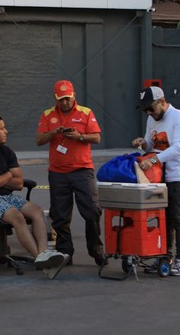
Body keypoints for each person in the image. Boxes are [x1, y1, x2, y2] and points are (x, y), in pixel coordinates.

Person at [0, 114, 70, 277]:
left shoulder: (6, 152)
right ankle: (41, 260)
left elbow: (19, 183)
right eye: (2, 128)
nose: (6, 131)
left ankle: (44, 255)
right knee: (17, 216)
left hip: (6, 197)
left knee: (37, 211)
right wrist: (8, 175)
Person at [36, 80, 106, 267]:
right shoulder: (47, 115)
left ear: (74, 96)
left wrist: (79, 137)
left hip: (83, 170)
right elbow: (39, 140)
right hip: (57, 173)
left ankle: (96, 250)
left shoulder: (86, 112)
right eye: (61, 99)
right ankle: (65, 252)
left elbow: (97, 137)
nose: (65, 102)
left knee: (92, 211)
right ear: (55, 98)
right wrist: (53, 133)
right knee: (60, 215)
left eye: (67, 98)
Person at [132, 86, 180, 276]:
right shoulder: (152, 119)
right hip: (158, 177)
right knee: (163, 218)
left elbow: (179, 147)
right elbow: (151, 145)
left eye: (151, 108)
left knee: (177, 217)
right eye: (145, 110)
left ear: (162, 101)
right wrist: (143, 143)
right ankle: (164, 258)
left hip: (178, 176)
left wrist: (153, 160)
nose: (148, 113)